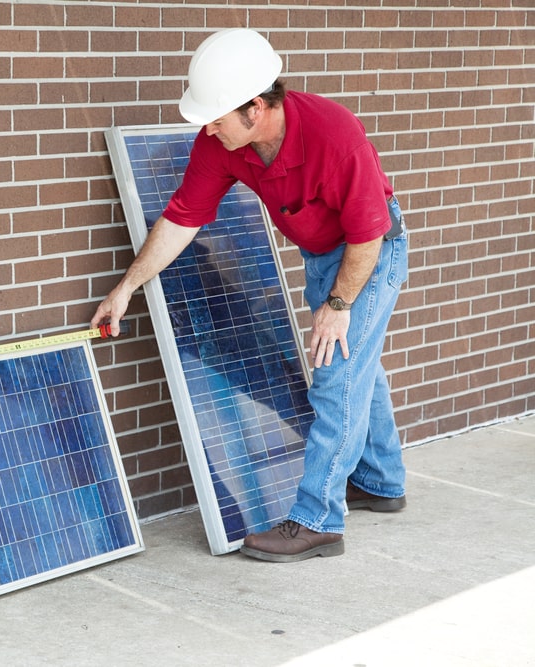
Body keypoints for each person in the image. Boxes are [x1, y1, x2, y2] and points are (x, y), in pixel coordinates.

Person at [91, 28, 409, 563]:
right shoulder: (221, 144)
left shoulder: (334, 136)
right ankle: (381, 482)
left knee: (336, 376)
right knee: (359, 370)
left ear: (256, 108)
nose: (207, 127)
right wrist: (127, 287)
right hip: (322, 254)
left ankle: (318, 520)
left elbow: (368, 237)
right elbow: (180, 220)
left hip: (370, 255)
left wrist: (337, 308)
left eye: (216, 115)